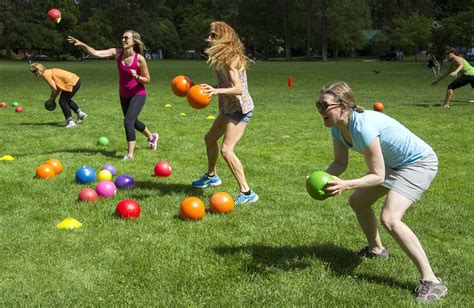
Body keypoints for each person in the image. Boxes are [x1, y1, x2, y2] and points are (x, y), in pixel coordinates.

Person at [316, 81, 447, 303]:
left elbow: (377, 175)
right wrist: (320, 178)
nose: (320, 110)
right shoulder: (339, 129)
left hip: (418, 164)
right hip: (393, 164)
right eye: (318, 104)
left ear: (344, 106)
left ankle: (432, 281)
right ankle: (377, 249)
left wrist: (345, 184)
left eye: (324, 105)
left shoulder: (363, 126)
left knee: (390, 218)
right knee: (358, 201)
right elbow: (339, 163)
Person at [191, 21, 258, 205]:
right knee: (210, 138)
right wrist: (202, 88)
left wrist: (215, 92)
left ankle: (247, 192)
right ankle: (212, 176)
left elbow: (238, 89)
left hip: (240, 109)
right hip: (228, 108)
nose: (210, 38)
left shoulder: (231, 57)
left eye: (214, 35)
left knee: (227, 150)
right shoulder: (220, 56)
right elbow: (224, 85)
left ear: (224, 36)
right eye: (210, 34)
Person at [67, 30, 158, 160]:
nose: (123, 40)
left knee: (128, 122)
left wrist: (136, 76)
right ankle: (152, 137)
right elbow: (96, 53)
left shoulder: (139, 59)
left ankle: (130, 155)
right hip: (123, 94)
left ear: (134, 41)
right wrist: (82, 44)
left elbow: (147, 79)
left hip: (138, 93)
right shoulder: (117, 53)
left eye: (126, 38)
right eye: (122, 37)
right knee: (133, 121)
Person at [29, 63, 87, 128]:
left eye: (34, 71)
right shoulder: (48, 72)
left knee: (63, 102)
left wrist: (51, 99)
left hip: (71, 82)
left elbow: (54, 89)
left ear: (39, 69)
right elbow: (57, 89)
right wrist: (52, 99)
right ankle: (80, 114)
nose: (34, 74)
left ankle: (70, 122)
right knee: (66, 100)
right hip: (75, 80)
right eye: (33, 72)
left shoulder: (46, 75)